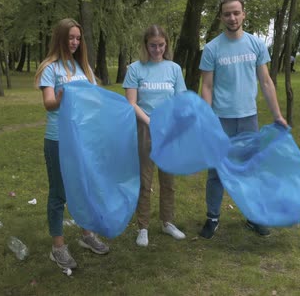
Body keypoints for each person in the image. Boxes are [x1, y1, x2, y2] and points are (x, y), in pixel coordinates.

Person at [198, 0, 288, 239]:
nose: (232, 17)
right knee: (217, 171)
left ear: (244, 14)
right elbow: (206, 86)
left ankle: (253, 217)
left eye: (236, 12)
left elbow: (266, 82)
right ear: (221, 17)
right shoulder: (212, 48)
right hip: (220, 119)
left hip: (248, 117)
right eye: (227, 14)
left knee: (250, 168)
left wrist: (277, 115)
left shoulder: (256, 45)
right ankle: (212, 218)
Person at [35, 18, 110, 270]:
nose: (75, 42)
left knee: (84, 187)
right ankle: (58, 248)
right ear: (60, 38)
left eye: (78, 38)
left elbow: (94, 102)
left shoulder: (84, 69)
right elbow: (48, 103)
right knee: (59, 193)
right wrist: (60, 97)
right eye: (70, 37)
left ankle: (87, 235)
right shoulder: (50, 68)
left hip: (82, 139)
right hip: (58, 139)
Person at [123, 25, 187, 247]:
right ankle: (143, 226)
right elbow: (131, 103)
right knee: (145, 180)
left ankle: (167, 222)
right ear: (145, 45)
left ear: (166, 44)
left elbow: (181, 101)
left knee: (168, 180)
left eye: (161, 45)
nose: (157, 50)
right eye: (152, 45)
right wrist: (151, 122)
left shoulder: (174, 69)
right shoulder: (135, 69)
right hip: (145, 128)